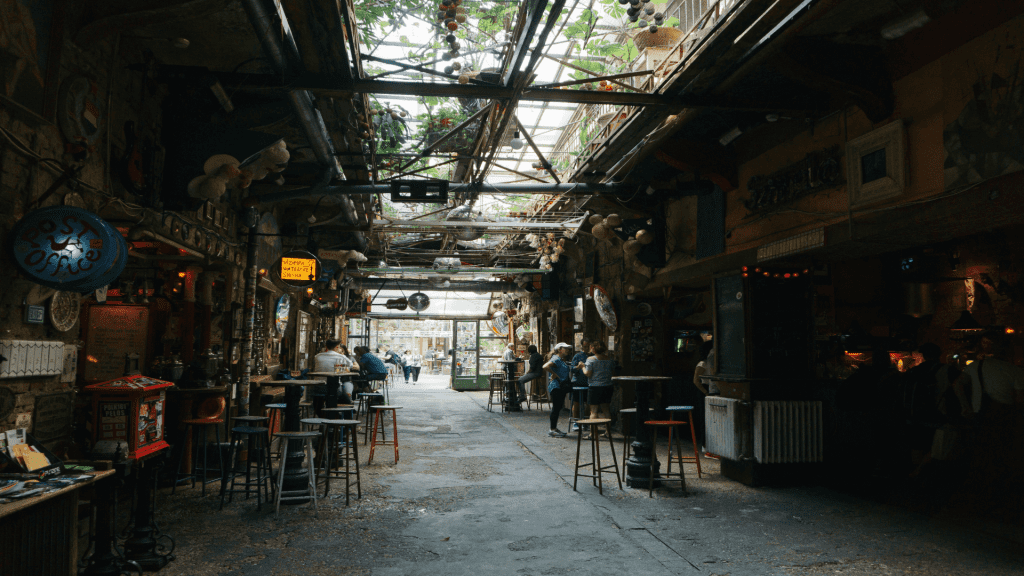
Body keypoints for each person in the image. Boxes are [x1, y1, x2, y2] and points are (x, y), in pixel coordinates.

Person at [580, 340, 615, 426]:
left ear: (593, 349)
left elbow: (588, 374)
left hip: (595, 387)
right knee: (606, 410)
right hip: (607, 386)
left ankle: (592, 433)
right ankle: (608, 432)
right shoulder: (609, 359)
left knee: (594, 411)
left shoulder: (591, 359)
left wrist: (582, 367)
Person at [543, 342, 574, 437]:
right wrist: (554, 374)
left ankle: (554, 428)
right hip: (557, 386)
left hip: (560, 386)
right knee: (556, 408)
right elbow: (545, 366)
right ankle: (552, 429)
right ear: (560, 350)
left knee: (558, 408)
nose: (568, 350)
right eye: (566, 349)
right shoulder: (556, 358)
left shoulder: (560, 359)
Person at [569, 339, 592, 431]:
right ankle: (576, 422)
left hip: (589, 382)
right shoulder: (578, 356)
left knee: (588, 403)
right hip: (578, 382)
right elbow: (572, 369)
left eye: (588, 346)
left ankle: (586, 421)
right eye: (585, 346)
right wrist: (578, 367)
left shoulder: (593, 356)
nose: (587, 348)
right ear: (582, 346)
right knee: (577, 403)